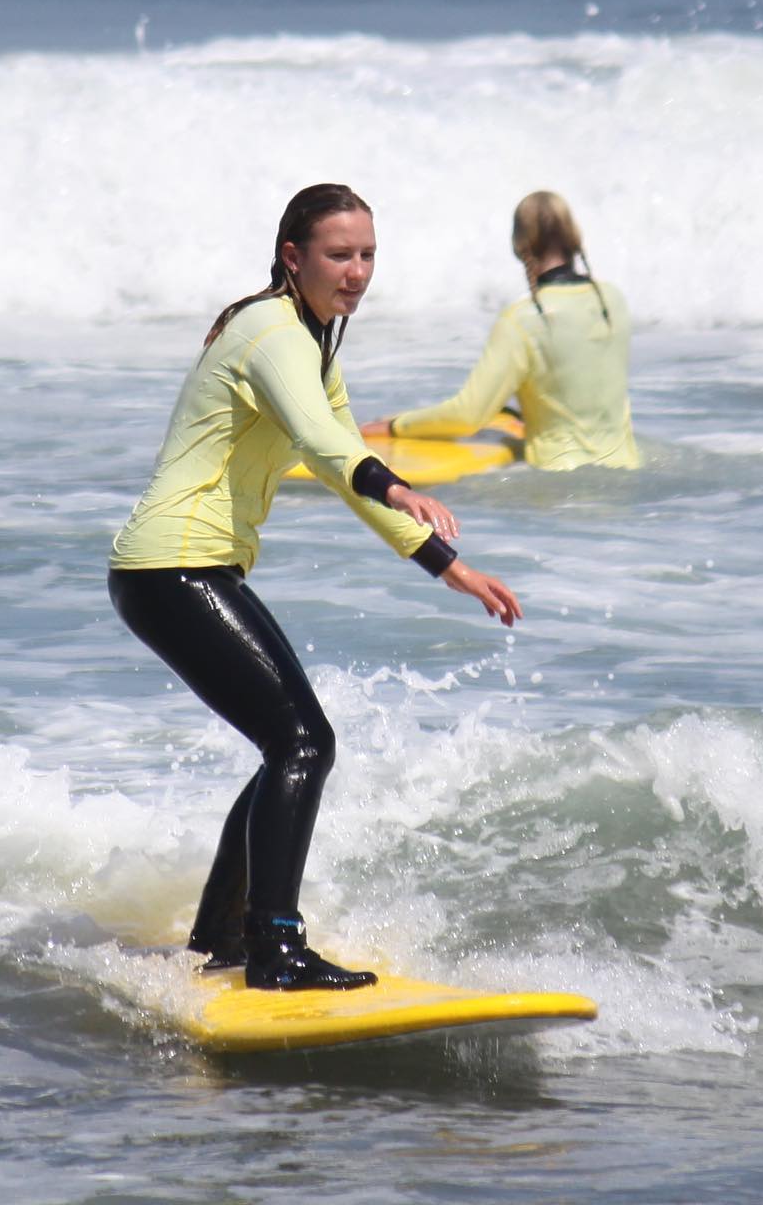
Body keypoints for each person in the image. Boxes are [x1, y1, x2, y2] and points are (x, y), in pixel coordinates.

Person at [108, 183, 521, 992]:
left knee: (285, 747)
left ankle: (226, 936)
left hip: (185, 568)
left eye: (368, 255)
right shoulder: (272, 332)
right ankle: (275, 951)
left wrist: (449, 567)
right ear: (293, 257)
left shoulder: (314, 337)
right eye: (340, 255)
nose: (357, 272)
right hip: (171, 564)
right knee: (303, 743)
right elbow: (327, 447)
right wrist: (396, 484)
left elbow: (337, 467)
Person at [363, 191, 641, 471]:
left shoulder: (523, 320)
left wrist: (395, 425)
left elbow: (468, 414)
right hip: (627, 473)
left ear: (519, 245)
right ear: (574, 235)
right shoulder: (613, 301)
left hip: (558, 489)